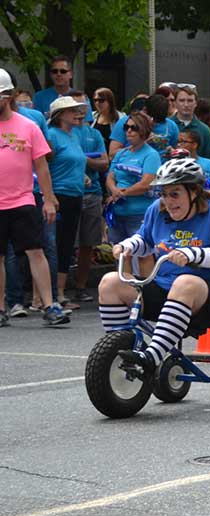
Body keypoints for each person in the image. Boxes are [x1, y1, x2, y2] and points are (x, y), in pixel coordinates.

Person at [100, 158, 210, 376]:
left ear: (194, 192)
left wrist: (192, 254)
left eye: (175, 194)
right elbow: (145, 240)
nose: (168, 201)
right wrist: (126, 246)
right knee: (110, 282)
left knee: (185, 282)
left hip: (208, 300)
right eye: (163, 194)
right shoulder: (158, 209)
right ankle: (121, 354)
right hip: (165, 289)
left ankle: (151, 358)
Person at [0, 69, 69, 327]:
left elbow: (41, 166)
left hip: (22, 200)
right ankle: (1, 308)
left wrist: (49, 200)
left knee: (36, 251)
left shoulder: (28, 126)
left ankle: (50, 305)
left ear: (7, 97)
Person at [45, 96, 90, 308]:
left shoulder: (73, 135)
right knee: (54, 245)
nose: (77, 113)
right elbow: (44, 164)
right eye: (72, 110)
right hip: (58, 195)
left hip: (75, 194)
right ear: (60, 114)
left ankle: (61, 294)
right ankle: (51, 295)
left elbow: (73, 162)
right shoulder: (51, 135)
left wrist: (82, 176)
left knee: (66, 244)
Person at [106, 111, 160, 272]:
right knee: (121, 254)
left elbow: (146, 183)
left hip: (139, 213)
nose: (128, 131)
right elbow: (110, 176)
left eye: (134, 128)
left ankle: (146, 291)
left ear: (143, 130)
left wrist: (123, 192)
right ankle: (125, 290)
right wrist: (114, 190)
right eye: (126, 127)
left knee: (143, 253)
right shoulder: (121, 153)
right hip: (118, 212)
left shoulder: (151, 155)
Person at [71, 90, 110, 304]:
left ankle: (81, 286)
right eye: (75, 105)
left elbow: (104, 163)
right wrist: (85, 159)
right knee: (65, 242)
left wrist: (80, 159)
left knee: (88, 243)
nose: (79, 109)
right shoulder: (61, 132)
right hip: (68, 192)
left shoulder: (94, 134)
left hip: (92, 192)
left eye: (82, 105)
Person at [108, 94, 179, 161]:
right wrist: (141, 144)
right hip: (133, 165)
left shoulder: (171, 125)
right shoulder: (127, 122)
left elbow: (176, 150)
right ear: (145, 110)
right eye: (152, 118)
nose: (154, 123)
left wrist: (172, 153)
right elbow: (112, 154)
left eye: (159, 121)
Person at [170, 85, 210, 162]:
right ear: (175, 103)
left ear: (196, 103)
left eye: (190, 101)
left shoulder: (204, 129)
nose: (186, 104)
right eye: (182, 100)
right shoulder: (167, 126)